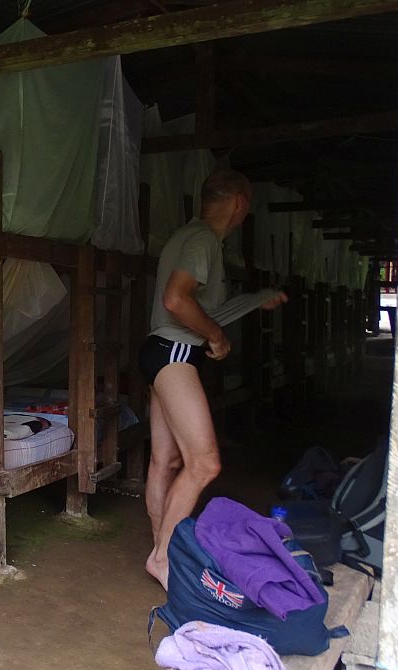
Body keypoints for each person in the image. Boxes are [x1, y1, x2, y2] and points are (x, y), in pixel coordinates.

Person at [139, 169, 287, 589]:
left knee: (164, 462)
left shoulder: (188, 236)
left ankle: (162, 556)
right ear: (240, 202)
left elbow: (187, 303)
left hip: (158, 351)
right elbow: (176, 299)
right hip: (176, 354)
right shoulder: (204, 240)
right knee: (204, 463)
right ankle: (163, 557)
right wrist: (216, 336)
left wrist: (254, 301)